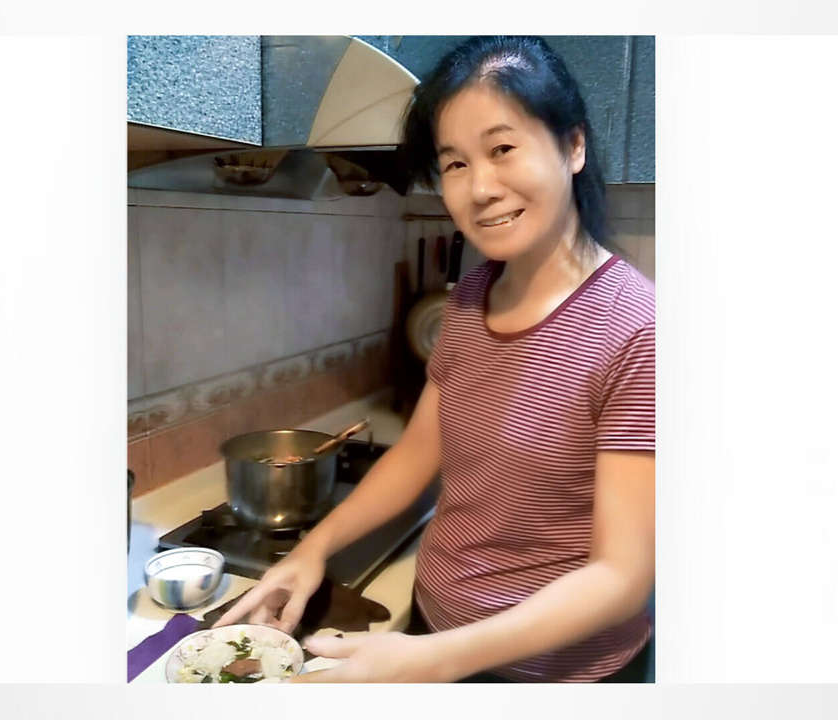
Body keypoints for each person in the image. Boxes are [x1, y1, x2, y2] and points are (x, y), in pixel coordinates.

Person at [214, 35, 655, 683]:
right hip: (433, 628)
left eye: (503, 149)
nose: (481, 188)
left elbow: (622, 576)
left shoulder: (638, 328)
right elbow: (418, 454)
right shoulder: (471, 299)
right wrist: (311, 550)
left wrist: (431, 660)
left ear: (573, 146)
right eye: (454, 163)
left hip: (553, 675)